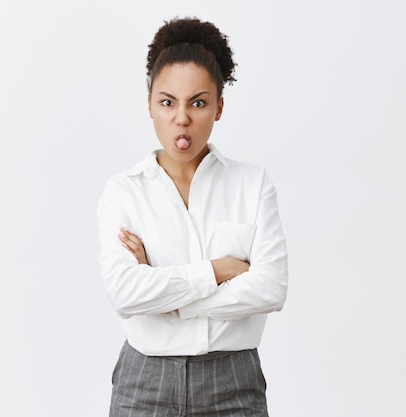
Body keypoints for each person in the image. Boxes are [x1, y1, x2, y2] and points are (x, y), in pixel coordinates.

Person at [96, 16, 288, 417]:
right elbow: (125, 294)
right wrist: (217, 271)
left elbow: (271, 288)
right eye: (168, 102)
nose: (181, 118)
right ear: (150, 105)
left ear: (218, 107)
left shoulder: (252, 186)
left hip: (233, 381)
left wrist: (169, 299)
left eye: (197, 102)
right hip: (144, 383)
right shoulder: (124, 192)